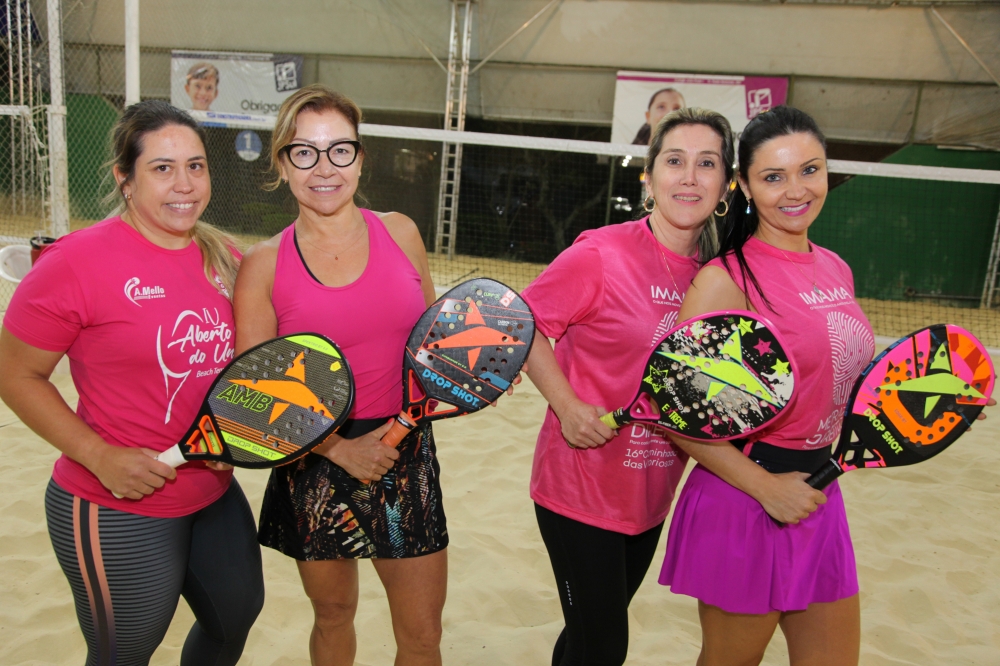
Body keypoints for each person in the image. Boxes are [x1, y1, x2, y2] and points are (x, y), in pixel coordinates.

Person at [0, 100, 263, 665]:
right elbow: (15, 374)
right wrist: (99, 455)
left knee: (235, 616)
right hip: (116, 499)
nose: (184, 184)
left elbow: (250, 364)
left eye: (195, 166)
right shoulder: (75, 263)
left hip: (212, 488)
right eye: (162, 168)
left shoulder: (224, 256)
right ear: (125, 178)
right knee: (125, 652)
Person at [234, 84, 447, 666]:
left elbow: (432, 347)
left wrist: (467, 383)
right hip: (312, 455)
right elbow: (252, 396)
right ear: (282, 164)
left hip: (403, 450)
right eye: (305, 152)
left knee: (422, 637)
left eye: (339, 150)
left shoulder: (401, 232)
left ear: (360, 158)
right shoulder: (263, 264)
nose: (324, 168)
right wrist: (339, 449)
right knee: (332, 616)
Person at [658, 105, 870, 665]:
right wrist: (766, 488)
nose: (796, 190)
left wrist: (926, 401)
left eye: (810, 170)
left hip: (821, 493)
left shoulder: (836, 268)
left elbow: (840, 377)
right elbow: (672, 412)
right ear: (745, 186)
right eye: (774, 177)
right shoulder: (724, 280)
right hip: (745, 498)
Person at [522, 107, 735, 666]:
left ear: (726, 186)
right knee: (604, 648)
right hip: (579, 486)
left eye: (707, 164)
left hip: (650, 492)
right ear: (649, 176)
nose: (689, 177)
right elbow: (523, 326)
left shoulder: (721, 276)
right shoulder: (601, 253)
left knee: (586, 639)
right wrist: (567, 406)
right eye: (675, 161)